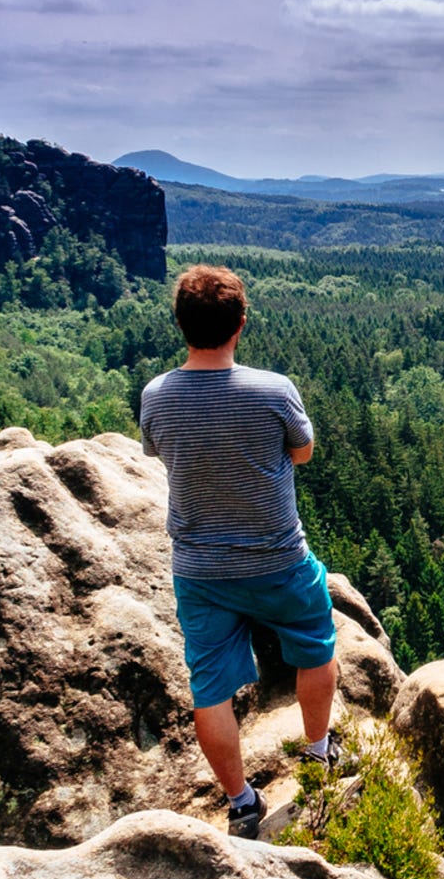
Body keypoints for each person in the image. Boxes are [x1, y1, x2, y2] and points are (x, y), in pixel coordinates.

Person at [140, 264, 339, 839]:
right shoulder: (273, 390)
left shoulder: (157, 394)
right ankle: (319, 752)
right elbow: (302, 454)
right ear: (241, 324)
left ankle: (241, 801)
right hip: (277, 558)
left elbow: (157, 452)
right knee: (314, 645)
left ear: (180, 324)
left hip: (200, 568)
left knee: (211, 687)